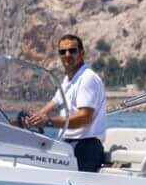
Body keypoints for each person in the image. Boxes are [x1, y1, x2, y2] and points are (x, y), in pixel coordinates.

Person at [27, 33, 108, 172]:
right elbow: (52, 104)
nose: (67, 55)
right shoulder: (68, 80)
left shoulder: (87, 78)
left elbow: (85, 117)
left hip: (86, 148)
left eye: (72, 50)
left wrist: (48, 121)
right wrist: (27, 120)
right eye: (62, 52)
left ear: (81, 53)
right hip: (68, 144)